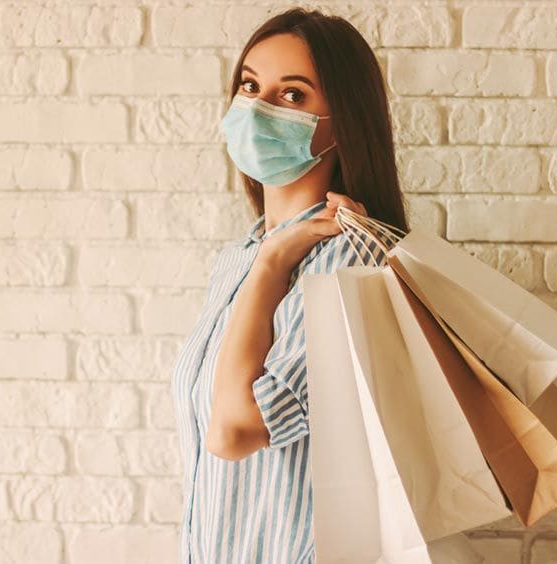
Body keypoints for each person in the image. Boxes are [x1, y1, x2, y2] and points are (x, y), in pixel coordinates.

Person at [170, 7, 409, 563]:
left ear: (342, 121)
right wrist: (268, 260)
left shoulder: (353, 258)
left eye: (293, 96)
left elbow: (234, 431)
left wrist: (276, 264)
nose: (257, 109)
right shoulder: (239, 258)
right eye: (250, 86)